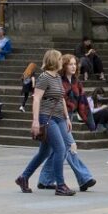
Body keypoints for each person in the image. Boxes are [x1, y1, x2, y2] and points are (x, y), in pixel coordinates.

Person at [14, 50, 72, 195]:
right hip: (47, 118)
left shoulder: (57, 77)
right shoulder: (44, 77)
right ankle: (60, 185)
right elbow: (37, 98)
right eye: (60, 59)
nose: (62, 61)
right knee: (60, 149)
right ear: (54, 60)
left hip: (59, 118)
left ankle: (23, 177)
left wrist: (67, 117)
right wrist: (35, 120)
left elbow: (61, 98)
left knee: (44, 152)